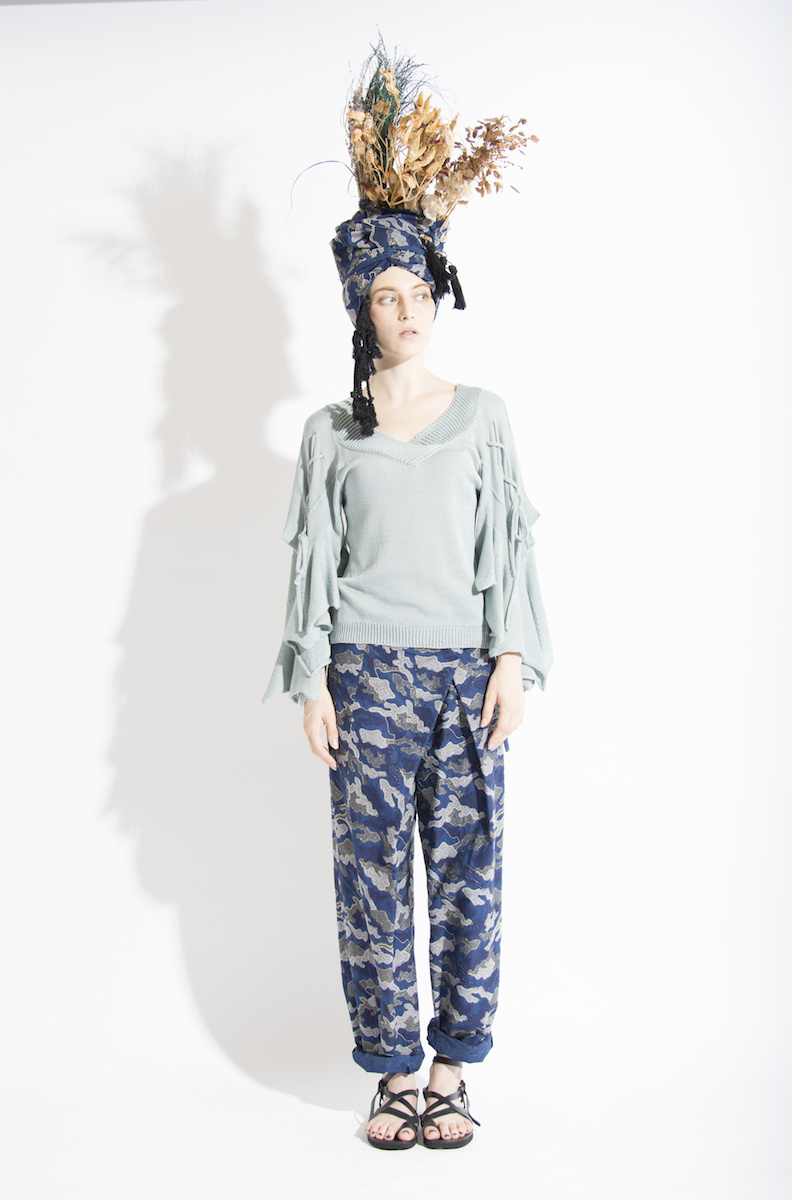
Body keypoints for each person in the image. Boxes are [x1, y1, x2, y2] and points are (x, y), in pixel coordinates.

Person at [263, 45, 552, 1149]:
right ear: (361, 311)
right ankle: (391, 1075)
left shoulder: (484, 417)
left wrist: (511, 658)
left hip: (466, 675)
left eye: (419, 292)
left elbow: (508, 547)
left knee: (470, 875)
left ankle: (453, 1069)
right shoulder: (329, 433)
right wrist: (312, 680)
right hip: (365, 677)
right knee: (374, 879)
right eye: (386, 297)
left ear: (438, 295)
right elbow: (312, 562)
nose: (407, 310)